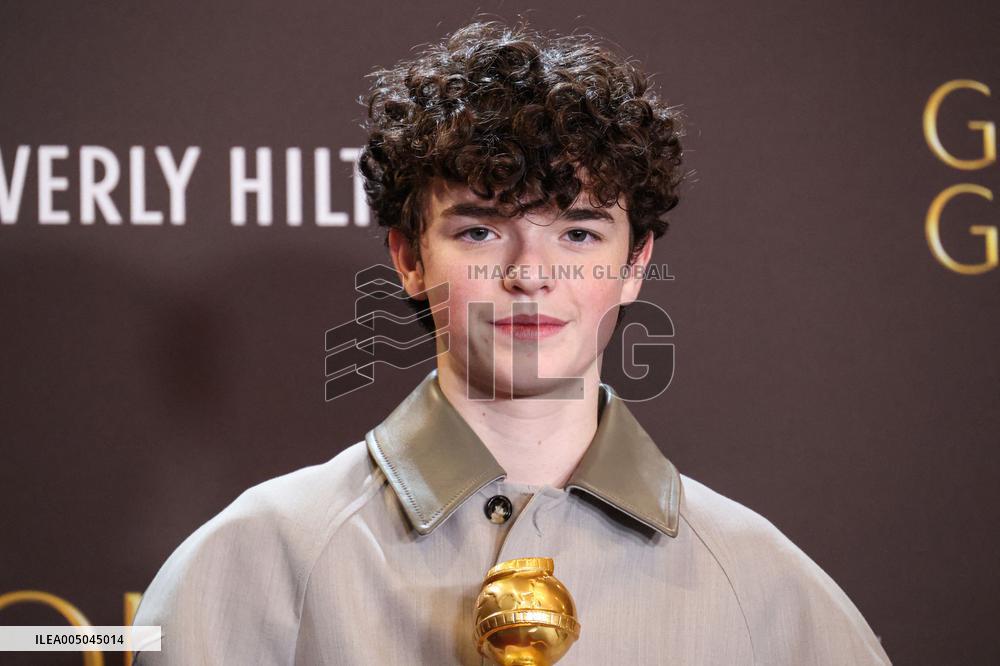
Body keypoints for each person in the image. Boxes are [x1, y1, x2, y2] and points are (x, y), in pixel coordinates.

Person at [132, 19, 892, 664]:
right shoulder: (252, 565)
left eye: (578, 230)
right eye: (480, 230)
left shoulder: (771, 592)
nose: (532, 274)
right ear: (408, 258)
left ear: (634, 266)